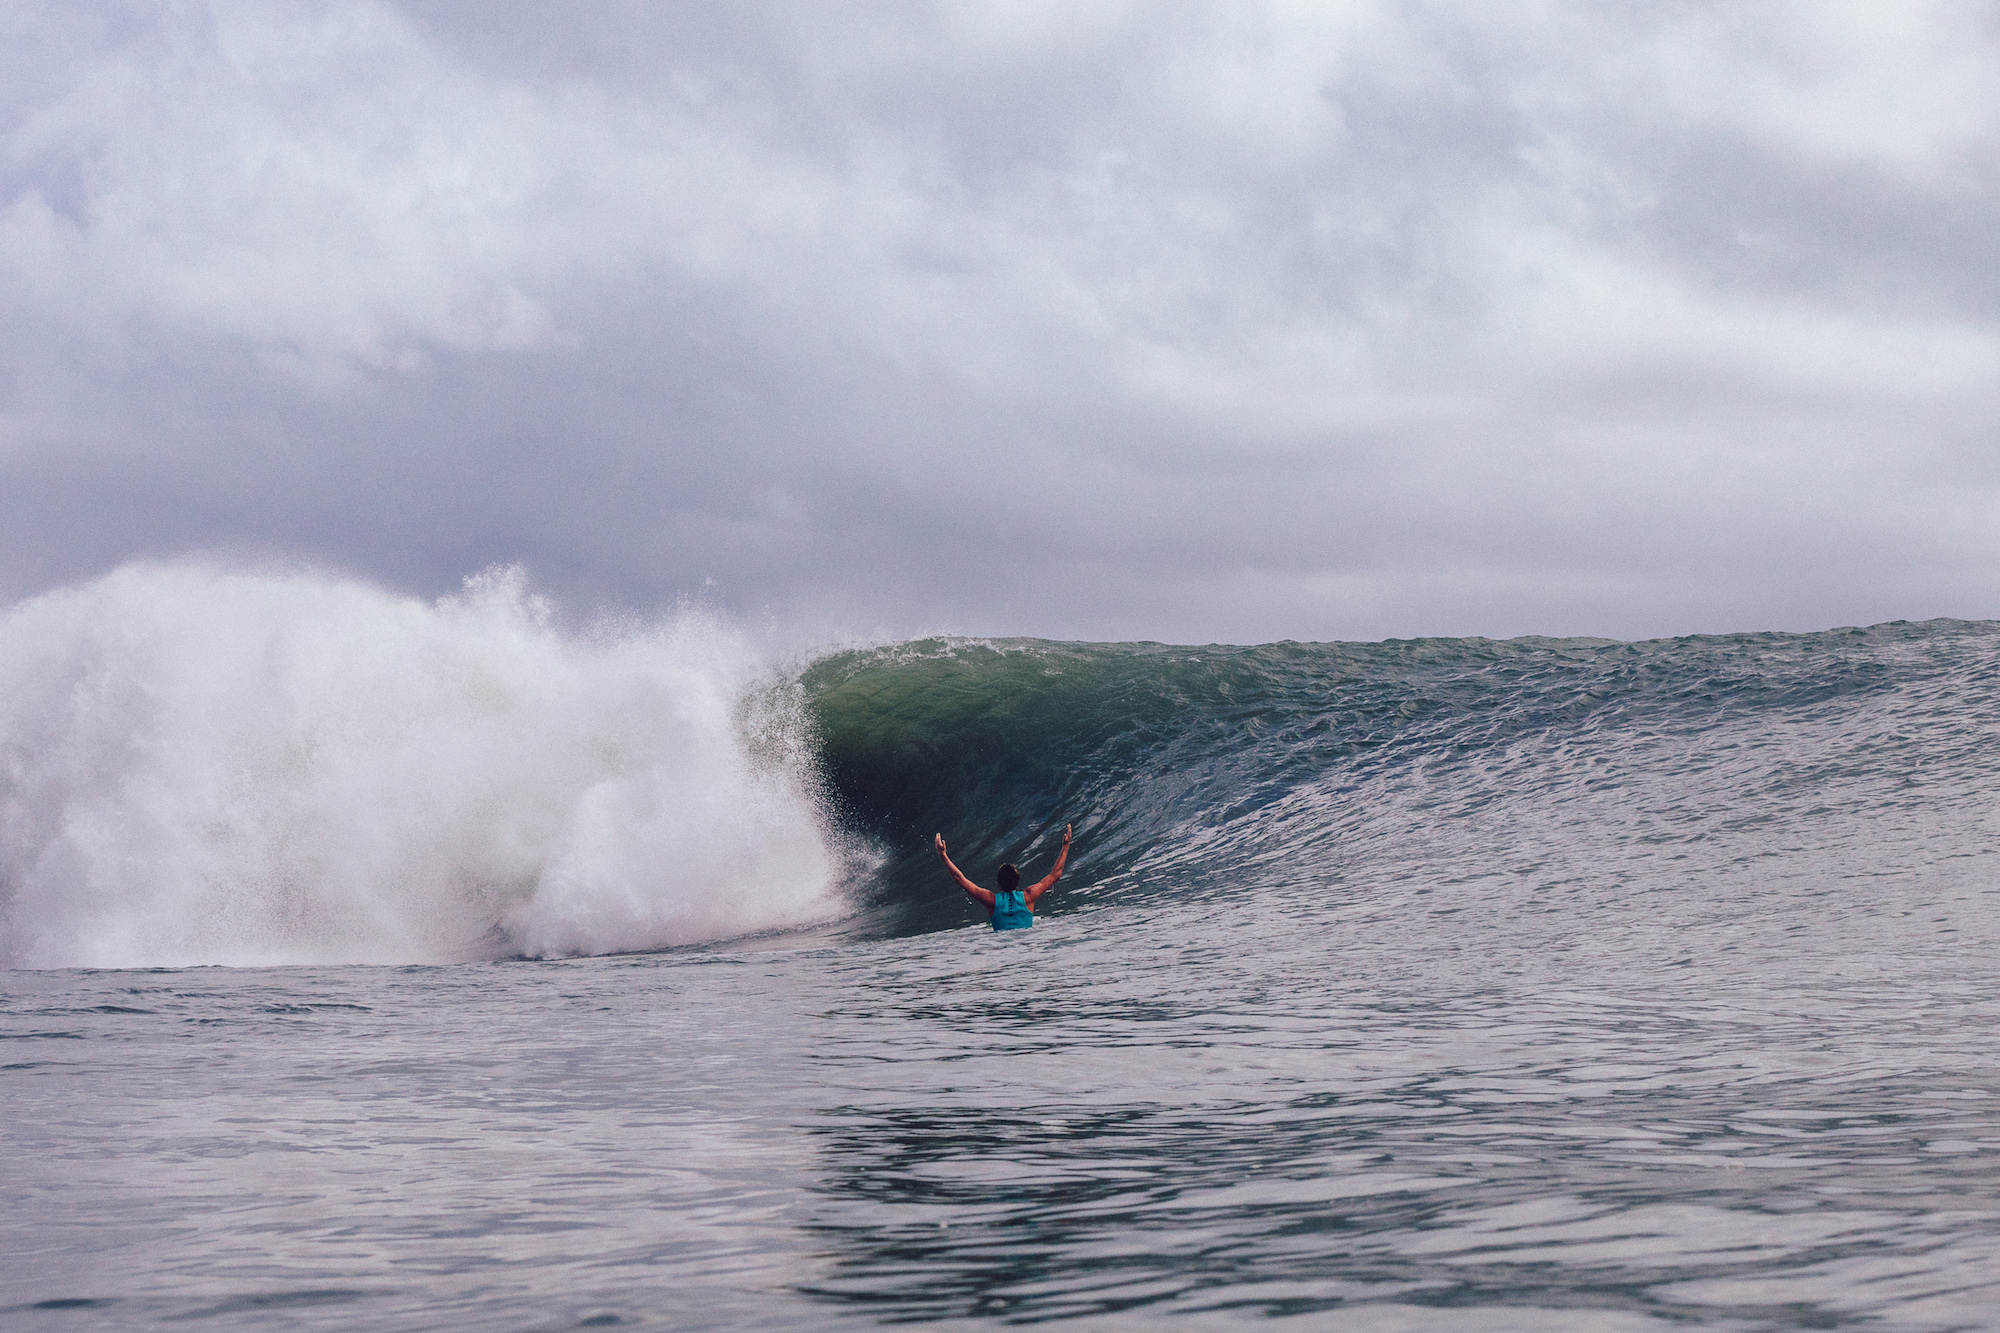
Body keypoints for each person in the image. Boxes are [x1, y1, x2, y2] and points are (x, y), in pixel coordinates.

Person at [933, 824, 1071, 931]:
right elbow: (1056, 874)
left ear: (998, 882)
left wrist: (943, 854)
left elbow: (960, 879)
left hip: (1002, 949)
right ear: (1017, 879)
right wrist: (1065, 846)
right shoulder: (1029, 895)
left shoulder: (991, 900)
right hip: (1027, 946)